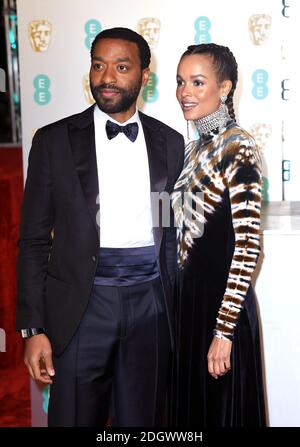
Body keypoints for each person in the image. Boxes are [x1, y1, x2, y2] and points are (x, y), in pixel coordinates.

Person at [16, 27, 184, 427]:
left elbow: (173, 232)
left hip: (151, 307)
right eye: (98, 65)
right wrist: (32, 328)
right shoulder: (53, 141)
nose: (107, 77)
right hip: (80, 307)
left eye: (121, 67)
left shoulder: (171, 142)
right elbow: (34, 240)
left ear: (144, 76)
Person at [171, 43, 266, 426]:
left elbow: (248, 245)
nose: (184, 92)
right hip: (187, 309)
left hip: (221, 311)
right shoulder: (192, 149)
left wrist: (223, 331)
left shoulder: (239, 146)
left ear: (224, 88)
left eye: (197, 82)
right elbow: (173, 227)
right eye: (180, 82)